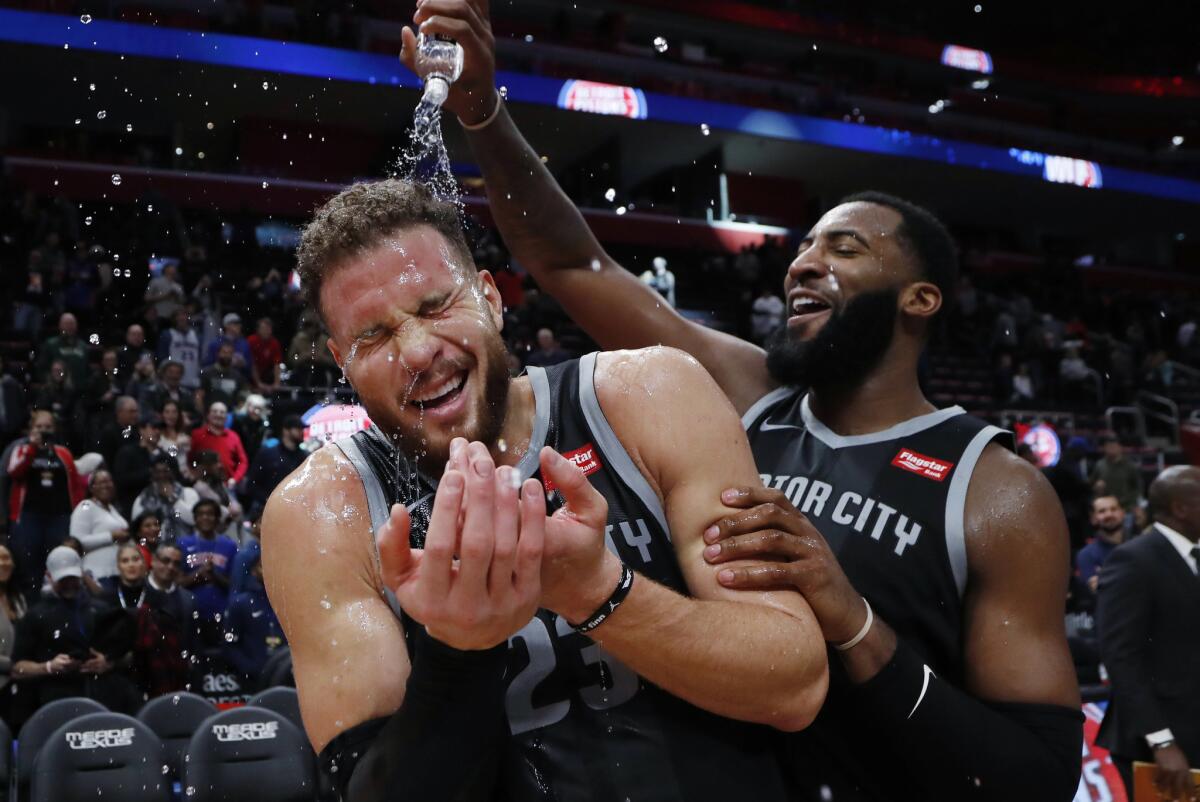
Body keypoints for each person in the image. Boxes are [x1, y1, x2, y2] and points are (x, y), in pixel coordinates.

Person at [435, 7, 1082, 797]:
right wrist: (482, 111)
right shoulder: (746, 395)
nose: (803, 266)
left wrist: (854, 624)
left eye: (844, 249)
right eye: (804, 247)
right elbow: (572, 263)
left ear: (921, 299)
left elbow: (1037, 778)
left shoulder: (996, 490)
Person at [264, 177, 827, 801]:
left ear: (490, 299)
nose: (419, 351)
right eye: (373, 337)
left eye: (434, 307)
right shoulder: (318, 510)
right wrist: (460, 648)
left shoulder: (649, 396)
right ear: (342, 361)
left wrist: (594, 591)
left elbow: (794, 685)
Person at [1097, 466, 1200, 800]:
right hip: (1158, 744)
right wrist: (1163, 742)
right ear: (1180, 508)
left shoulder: (1193, 557)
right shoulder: (1133, 559)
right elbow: (1121, 658)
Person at [10, 547, 114, 726]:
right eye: (62, 579)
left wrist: (108, 662)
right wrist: (48, 667)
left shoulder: (100, 609)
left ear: (80, 574)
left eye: (72, 578)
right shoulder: (36, 615)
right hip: (53, 699)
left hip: (99, 694)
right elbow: (17, 669)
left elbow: (128, 655)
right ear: (49, 576)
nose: (68, 584)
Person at [7, 410, 84, 601]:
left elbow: (75, 485)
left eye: (48, 427)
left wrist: (75, 511)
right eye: (39, 427)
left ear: (55, 429)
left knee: (58, 560)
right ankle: (32, 605)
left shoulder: (63, 453)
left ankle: (58, 603)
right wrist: (32, 447)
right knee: (30, 564)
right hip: (29, 517)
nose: (44, 430)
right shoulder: (22, 449)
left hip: (59, 517)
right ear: (31, 429)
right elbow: (14, 471)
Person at [222, 541, 285, 684]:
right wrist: (251, 669)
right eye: (263, 566)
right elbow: (229, 646)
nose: (269, 570)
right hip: (254, 681)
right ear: (254, 571)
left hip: (287, 676)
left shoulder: (290, 604)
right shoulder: (240, 604)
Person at [139, 542, 197, 697]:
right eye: (165, 561)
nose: (171, 567)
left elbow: (191, 640)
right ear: (153, 561)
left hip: (176, 675)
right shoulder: (137, 592)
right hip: (141, 674)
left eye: (176, 563)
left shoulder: (188, 600)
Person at [178, 499, 237, 648]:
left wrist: (214, 575)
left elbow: (234, 585)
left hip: (221, 611)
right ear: (195, 519)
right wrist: (200, 573)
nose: (205, 517)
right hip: (191, 611)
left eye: (210, 514)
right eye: (201, 514)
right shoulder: (183, 544)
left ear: (217, 519)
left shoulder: (229, 546)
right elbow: (178, 583)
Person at [240, 414, 307, 521]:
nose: (302, 432)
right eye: (298, 428)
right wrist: (268, 500)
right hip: (267, 511)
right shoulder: (268, 454)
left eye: (302, 429)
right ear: (286, 430)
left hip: (294, 513)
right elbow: (251, 484)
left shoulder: (304, 457)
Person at [69, 469, 130, 581]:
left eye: (109, 482)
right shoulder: (85, 506)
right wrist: (111, 536)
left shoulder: (112, 508)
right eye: (102, 482)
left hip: (119, 573)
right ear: (92, 488)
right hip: (98, 574)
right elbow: (76, 542)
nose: (106, 485)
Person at [131, 457, 199, 543]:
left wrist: (173, 498)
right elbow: (137, 528)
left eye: (165, 471)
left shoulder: (188, 493)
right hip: (157, 551)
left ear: (173, 472)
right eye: (157, 472)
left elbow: (194, 520)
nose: (161, 476)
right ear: (152, 473)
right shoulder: (142, 499)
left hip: (187, 545)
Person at [189, 401, 249, 486]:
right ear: (208, 415)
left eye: (222, 412)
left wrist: (235, 479)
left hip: (227, 486)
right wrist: (193, 474)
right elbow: (189, 458)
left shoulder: (234, 436)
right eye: (215, 411)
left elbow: (243, 461)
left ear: (226, 416)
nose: (218, 415)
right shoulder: (197, 435)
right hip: (202, 485)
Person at [113, 416, 165, 513]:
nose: (157, 432)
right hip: (134, 506)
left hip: (162, 507)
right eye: (153, 428)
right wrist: (149, 473)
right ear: (141, 430)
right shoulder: (127, 453)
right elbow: (120, 480)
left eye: (159, 429)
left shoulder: (165, 456)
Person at [1075, 495, 1125, 594]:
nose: (1109, 514)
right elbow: (1099, 590)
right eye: (1102, 511)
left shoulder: (1140, 545)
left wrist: (1106, 576)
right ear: (1093, 518)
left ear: (1122, 513)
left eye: (1114, 509)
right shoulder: (1086, 554)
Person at [0, 544, 28, 722]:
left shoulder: (19, 598)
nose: (3, 563)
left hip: (21, 685)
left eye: (7, 558)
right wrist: (14, 665)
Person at [1090, 436, 1143, 515]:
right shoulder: (1099, 465)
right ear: (1104, 448)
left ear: (1120, 448)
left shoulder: (1129, 466)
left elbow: (1138, 486)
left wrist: (1133, 504)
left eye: (1114, 446)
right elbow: (1091, 484)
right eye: (1108, 446)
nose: (1111, 449)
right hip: (1107, 508)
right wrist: (1097, 488)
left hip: (1126, 508)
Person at [36, 312, 89, 388]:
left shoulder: (83, 346)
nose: (69, 327)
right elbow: (42, 369)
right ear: (60, 326)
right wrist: (51, 383)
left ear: (76, 325)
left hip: (80, 390)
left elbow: (87, 370)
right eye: (66, 324)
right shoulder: (51, 344)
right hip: (57, 389)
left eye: (72, 324)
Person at [142, 360, 199, 427]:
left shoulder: (186, 394)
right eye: (170, 372)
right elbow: (145, 414)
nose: (174, 376)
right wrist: (165, 418)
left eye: (178, 373)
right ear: (163, 373)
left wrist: (187, 417)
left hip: (182, 432)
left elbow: (197, 416)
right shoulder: (151, 392)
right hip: (158, 430)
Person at [92, 395, 142, 469]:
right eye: (131, 412)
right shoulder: (109, 433)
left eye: (136, 411)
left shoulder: (137, 430)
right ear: (119, 412)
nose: (135, 415)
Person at [156, 311, 201, 391]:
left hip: (193, 380)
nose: (182, 318)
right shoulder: (167, 334)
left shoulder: (195, 335)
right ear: (174, 319)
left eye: (184, 316)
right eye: (179, 316)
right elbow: (162, 358)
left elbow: (200, 357)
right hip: (174, 380)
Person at [96, 541, 148, 611]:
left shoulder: (155, 597)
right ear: (118, 566)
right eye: (125, 561)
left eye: (135, 559)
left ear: (143, 563)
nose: (131, 565)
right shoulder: (106, 599)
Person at [197, 342, 247, 410]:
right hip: (209, 414)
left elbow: (241, 399)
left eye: (229, 353)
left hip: (230, 415)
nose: (227, 355)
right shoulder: (207, 373)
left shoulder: (237, 376)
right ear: (218, 354)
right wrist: (202, 414)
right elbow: (199, 396)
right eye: (224, 352)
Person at [202, 312, 253, 378]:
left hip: (238, 381)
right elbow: (207, 364)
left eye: (239, 324)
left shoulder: (244, 344)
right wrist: (224, 361)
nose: (239, 326)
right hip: (218, 379)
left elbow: (250, 366)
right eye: (235, 323)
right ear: (226, 325)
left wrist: (243, 364)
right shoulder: (216, 343)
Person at [156, 398, 192, 477]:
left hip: (185, 475)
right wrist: (177, 445)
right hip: (167, 475)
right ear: (162, 414)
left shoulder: (183, 435)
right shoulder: (157, 436)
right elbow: (161, 458)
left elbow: (188, 459)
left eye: (174, 412)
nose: (171, 415)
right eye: (167, 412)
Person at [247, 317, 283, 392]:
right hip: (251, 372)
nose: (267, 331)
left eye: (269, 329)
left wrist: (277, 383)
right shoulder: (251, 341)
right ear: (258, 330)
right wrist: (258, 383)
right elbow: (252, 364)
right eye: (264, 329)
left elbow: (277, 363)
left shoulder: (274, 343)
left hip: (266, 373)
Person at [231, 394, 269, 462]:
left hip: (255, 458)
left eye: (259, 409)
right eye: (255, 408)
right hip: (238, 457)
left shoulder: (263, 424)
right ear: (248, 406)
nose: (257, 411)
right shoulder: (238, 421)